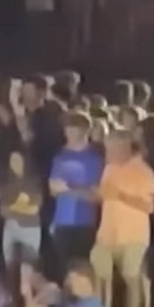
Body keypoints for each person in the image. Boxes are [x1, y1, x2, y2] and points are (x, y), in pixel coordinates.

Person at [92, 130, 154, 307]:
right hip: (107, 233)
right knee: (100, 274)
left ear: (124, 149)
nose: (107, 154)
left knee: (131, 278)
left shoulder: (144, 172)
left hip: (133, 235)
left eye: (111, 150)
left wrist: (121, 196)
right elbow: (105, 195)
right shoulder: (109, 169)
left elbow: (149, 206)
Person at [49, 113, 104, 274]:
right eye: (67, 129)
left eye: (73, 129)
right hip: (61, 224)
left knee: (83, 270)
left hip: (84, 224)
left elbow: (96, 196)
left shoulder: (93, 159)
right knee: (64, 271)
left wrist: (69, 189)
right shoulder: (60, 156)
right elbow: (53, 190)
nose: (68, 133)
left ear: (84, 131)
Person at [0, 149, 43, 268]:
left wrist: (12, 210)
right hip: (10, 229)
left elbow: (34, 209)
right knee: (10, 267)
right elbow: (3, 211)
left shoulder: (34, 182)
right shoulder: (7, 183)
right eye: (12, 160)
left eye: (18, 160)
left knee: (28, 268)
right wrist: (22, 209)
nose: (15, 163)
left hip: (29, 229)